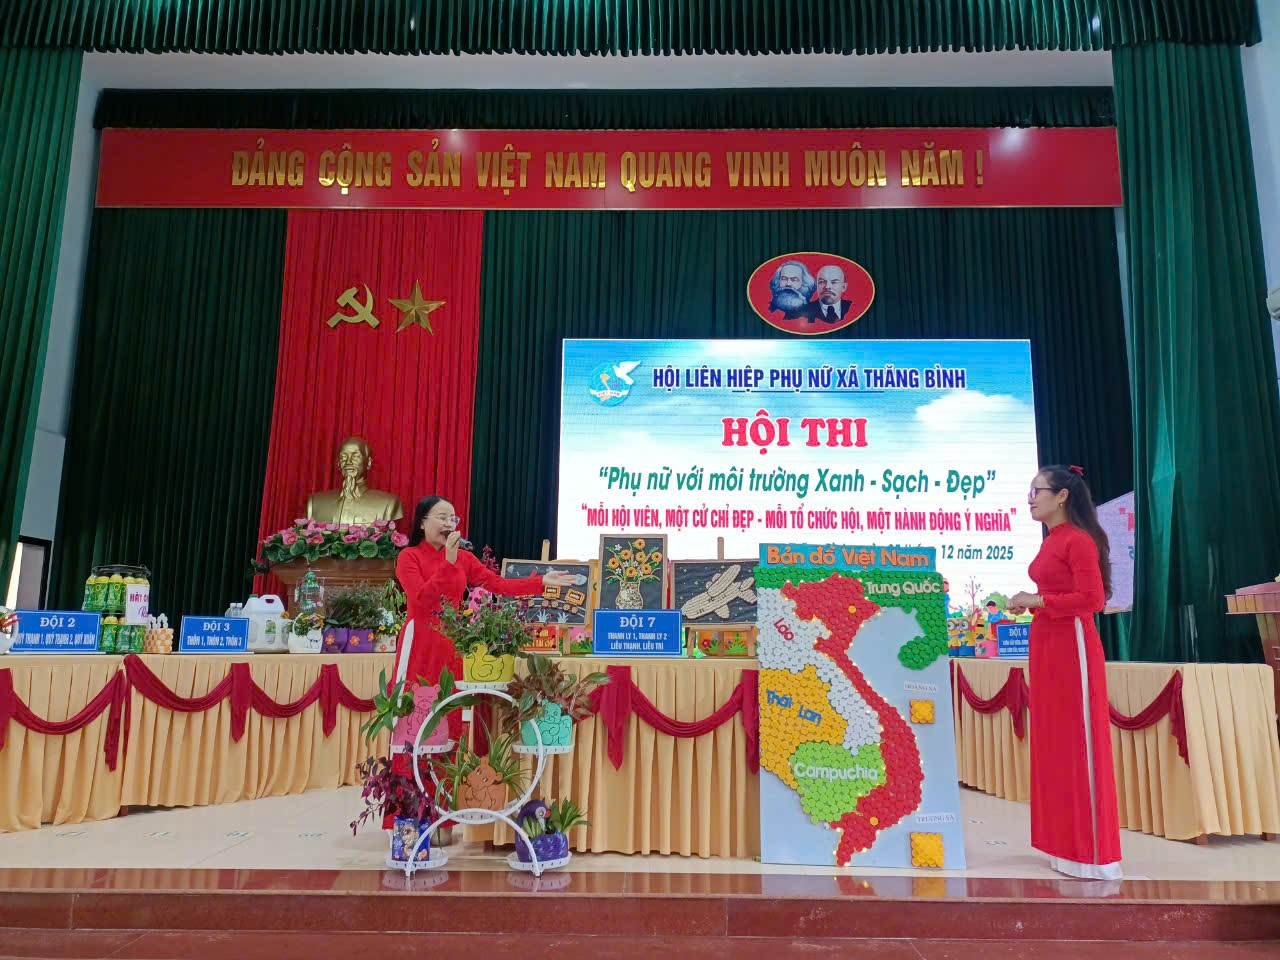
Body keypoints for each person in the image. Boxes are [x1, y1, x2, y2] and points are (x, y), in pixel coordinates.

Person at [1006, 464, 1122, 880]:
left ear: (1062, 496)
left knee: (1078, 743)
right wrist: (1032, 602)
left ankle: (1093, 852)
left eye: (1037, 491)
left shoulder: (1079, 540)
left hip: (1072, 647)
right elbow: (1056, 593)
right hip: (1048, 644)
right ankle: (1064, 845)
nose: (1031, 499)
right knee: (1054, 742)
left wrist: (1037, 601)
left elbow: (1092, 599)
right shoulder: (1054, 539)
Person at [392, 495, 576, 694]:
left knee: (451, 696)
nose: (449, 524)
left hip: (452, 639)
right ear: (422, 523)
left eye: (453, 519)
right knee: (416, 697)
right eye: (442, 518)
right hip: (420, 637)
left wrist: (540, 581)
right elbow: (423, 597)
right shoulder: (408, 557)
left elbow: (499, 585)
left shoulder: (464, 558)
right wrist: (448, 563)